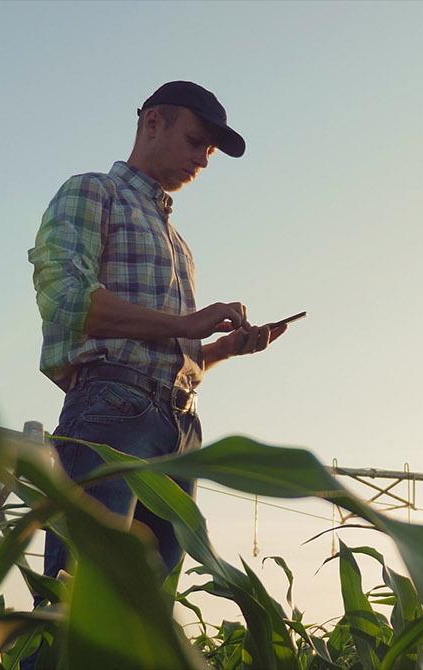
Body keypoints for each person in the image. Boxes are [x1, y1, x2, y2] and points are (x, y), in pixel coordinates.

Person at [28, 80, 285, 586]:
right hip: (112, 411)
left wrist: (221, 350)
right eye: (196, 142)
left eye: (210, 151)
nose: (204, 161)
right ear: (153, 123)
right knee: (78, 606)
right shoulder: (93, 191)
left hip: (180, 426)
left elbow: (161, 351)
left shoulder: (179, 243)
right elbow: (64, 299)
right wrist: (183, 324)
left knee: (145, 623)